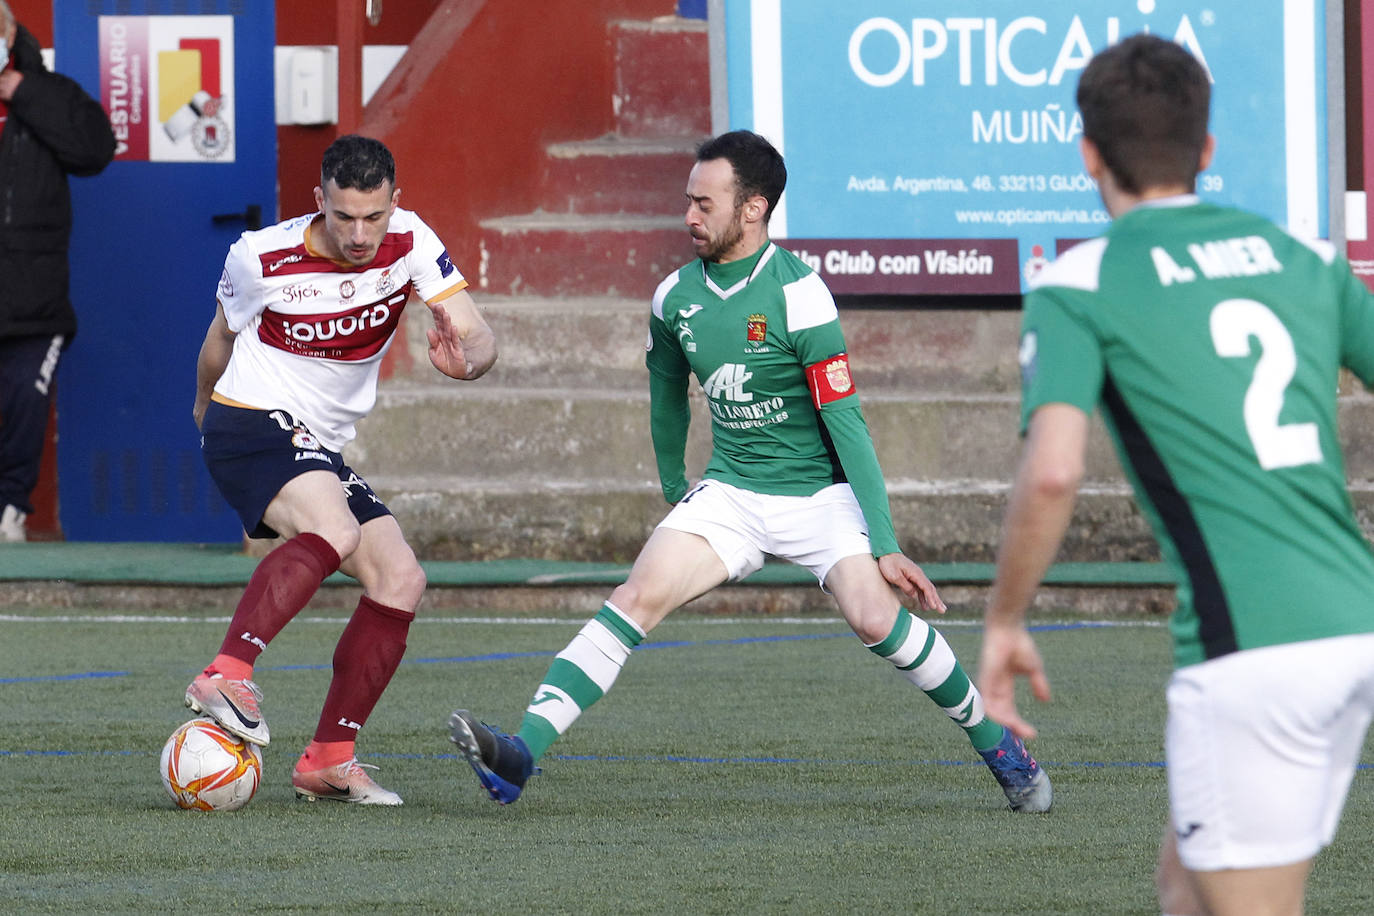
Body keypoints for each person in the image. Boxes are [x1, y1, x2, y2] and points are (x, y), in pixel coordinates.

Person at [447, 129, 1052, 812]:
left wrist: (884, 542)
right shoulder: (673, 298)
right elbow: (666, 396)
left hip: (818, 497)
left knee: (874, 620)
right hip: (731, 493)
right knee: (636, 596)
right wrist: (676, 489)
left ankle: (996, 742)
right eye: (689, 201)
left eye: (704, 204)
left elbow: (847, 422)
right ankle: (520, 755)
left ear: (754, 208)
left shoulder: (801, 295)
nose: (689, 216)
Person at [977, 33, 1374, 916]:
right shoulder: (1304, 257)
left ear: (1088, 155)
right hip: (1353, 621)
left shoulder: (1078, 283)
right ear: (1207, 148)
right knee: (1184, 885)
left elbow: (1052, 474)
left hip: (1253, 652)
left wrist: (1003, 619)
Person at [188, 134, 497, 805]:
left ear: (395, 203)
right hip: (249, 419)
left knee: (401, 578)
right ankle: (225, 673)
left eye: (374, 216)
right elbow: (219, 339)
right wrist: (203, 409)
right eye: (344, 216)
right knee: (335, 529)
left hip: (316, 445)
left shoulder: (411, 240)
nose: (360, 234)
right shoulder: (260, 255)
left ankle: (328, 759)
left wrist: (470, 360)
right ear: (319, 201)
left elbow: (476, 332)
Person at [0, 1, 115, 541]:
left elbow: (95, 150)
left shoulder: (51, 91)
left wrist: (22, 92)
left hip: (35, 297)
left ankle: (9, 510)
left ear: (10, 32)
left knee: (25, 398)